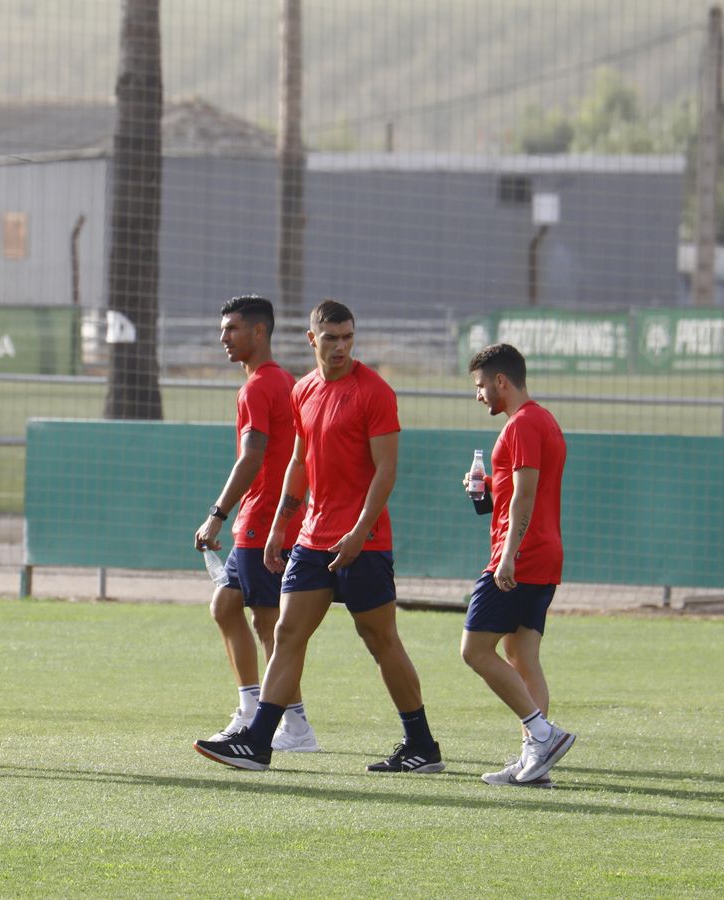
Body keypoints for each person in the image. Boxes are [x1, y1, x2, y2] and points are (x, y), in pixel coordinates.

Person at [194, 299, 442, 773]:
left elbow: (386, 471)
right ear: (313, 340)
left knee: (381, 641)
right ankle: (260, 743)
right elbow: (297, 463)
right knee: (285, 633)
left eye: (348, 337)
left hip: (362, 544)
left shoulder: (375, 392)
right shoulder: (303, 391)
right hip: (310, 539)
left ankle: (421, 745)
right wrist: (280, 526)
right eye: (331, 339)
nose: (340, 348)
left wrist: (359, 531)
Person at [193, 296, 318, 753]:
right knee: (226, 608)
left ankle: (294, 725)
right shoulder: (281, 381)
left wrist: (217, 513)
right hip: (264, 517)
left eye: (232, 329)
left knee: (269, 625)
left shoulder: (259, 387)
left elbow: (252, 456)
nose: (224, 337)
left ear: (259, 332)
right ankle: (252, 710)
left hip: (262, 521)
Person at [461, 343, 573, 787]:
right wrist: (486, 487)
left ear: (501, 381)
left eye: (481, 385)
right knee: (522, 657)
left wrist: (507, 556)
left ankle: (543, 735)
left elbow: (526, 495)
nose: (479, 395)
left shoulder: (522, 425)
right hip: (543, 553)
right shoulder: (541, 420)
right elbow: (517, 492)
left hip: (521, 556)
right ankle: (535, 762)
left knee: (473, 650)